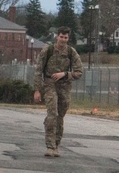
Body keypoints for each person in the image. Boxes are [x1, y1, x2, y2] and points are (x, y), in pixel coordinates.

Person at [33, 27, 84, 157]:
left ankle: (56, 144)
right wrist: (37, 90)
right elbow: (39, 70)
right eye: (61, 37)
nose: (63, 39)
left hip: (65, 86)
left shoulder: (71, 53)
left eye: (65, 37)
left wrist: (65, 74)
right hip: (50, 84)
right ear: (57, 37)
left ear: (68, 38)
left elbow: (79, 72)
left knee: (60, 116)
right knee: (52, 113)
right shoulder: (48, 50)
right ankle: (50, 146)